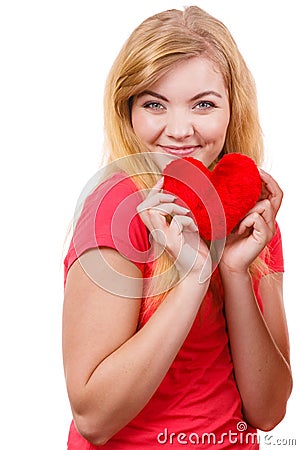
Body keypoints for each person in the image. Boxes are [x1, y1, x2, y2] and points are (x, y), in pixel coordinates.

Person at [62, 5, 292, 449]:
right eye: (155, 104)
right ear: (128, 110)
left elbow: (268, 411)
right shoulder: (117, 210)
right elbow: (93, 417)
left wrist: (233, 271)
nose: (180, 130)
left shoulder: (250, 218)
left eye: (203, 104)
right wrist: (192, 279)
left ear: (232, 109)